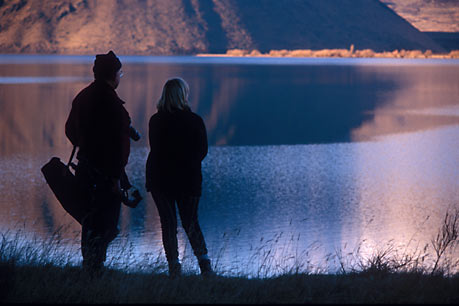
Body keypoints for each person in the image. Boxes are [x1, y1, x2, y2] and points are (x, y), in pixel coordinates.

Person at [65, 50, 132, 275]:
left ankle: (90, 267)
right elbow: (119, 146)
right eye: (120, 73)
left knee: (90, 220)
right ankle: (96, 269)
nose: (121, 77)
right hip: (107, 176)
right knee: (106, 223)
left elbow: (70, 131)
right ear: (113, 75)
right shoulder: (113, 105)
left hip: (85, 170)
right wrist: (116, 177)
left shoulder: (82, 97)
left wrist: (86, 144)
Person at [146, 77, 214, 278]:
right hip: (188, 179)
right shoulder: (195, 121)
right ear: (183, 95)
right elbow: (202, 151)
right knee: (191, 222)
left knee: (168, 223)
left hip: (160, 178)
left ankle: (174, 269)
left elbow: (155, 149)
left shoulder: (156, 120)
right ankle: (206, 268)